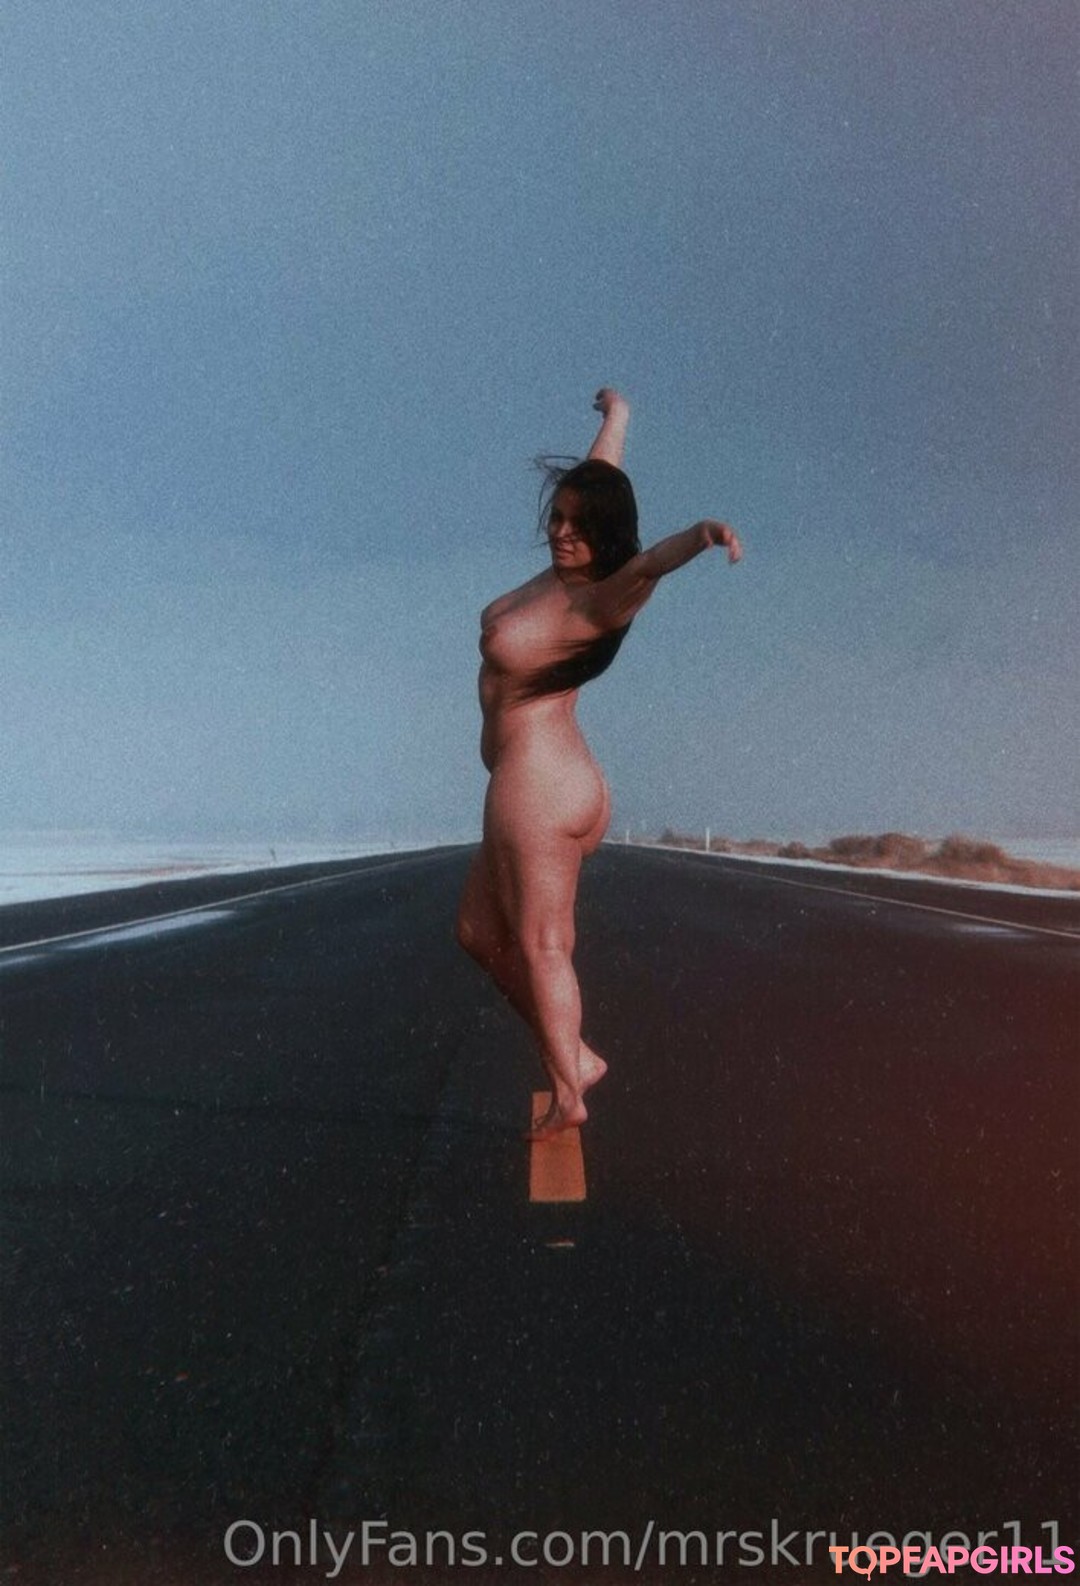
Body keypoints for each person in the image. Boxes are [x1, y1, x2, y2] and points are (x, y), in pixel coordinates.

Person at [456, 388, 742, 1141]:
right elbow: (599, 478)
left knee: (542, 945)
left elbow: (649, 564)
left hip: (541, 787)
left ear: (604, 537)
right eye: (557, 518)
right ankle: (572, 1053)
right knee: (478, 932)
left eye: (579, 527)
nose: (562, 532)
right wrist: (617, 417)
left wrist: (703, 535)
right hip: (539, 781)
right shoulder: (563, 572)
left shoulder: (599, 600)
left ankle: (569, 1092)